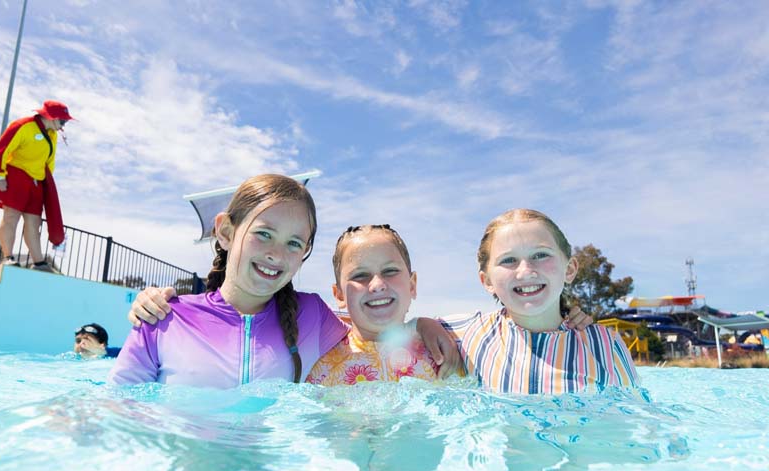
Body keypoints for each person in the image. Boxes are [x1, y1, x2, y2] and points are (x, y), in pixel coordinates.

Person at [108, 174, 460, 387]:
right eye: (264, 234)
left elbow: (374, 324)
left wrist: (424, 325)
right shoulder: (165, 319)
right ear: (226, 231)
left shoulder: (310, 314)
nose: (277, 254)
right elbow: (117, 408)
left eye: (294, 243)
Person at [438, 208, 639, 394]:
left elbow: (635, 417)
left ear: (569, 269)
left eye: (541, 255)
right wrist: (423, 325)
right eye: (508, 260)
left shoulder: (604, 345)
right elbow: (409, 327)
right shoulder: (464, 334)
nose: (525, 271)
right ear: (487, 280)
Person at [305, 224, 447, 385]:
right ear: (339, 295)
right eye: (360, 275)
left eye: (390, 271)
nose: (378, 284)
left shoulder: (440, 353)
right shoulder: (320, 367)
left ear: (412, 285)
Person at [0, 100, 71, 273]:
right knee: (11, 216)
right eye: (63, 121)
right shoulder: (23, 126)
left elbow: (50, 161)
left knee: (34, 222)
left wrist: (46, 185)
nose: (64, 125)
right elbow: (2, 149)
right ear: (51, 117)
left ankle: (39, 262)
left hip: (37, 182)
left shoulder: (53, 134)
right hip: (17, 174)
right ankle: (7, 257)